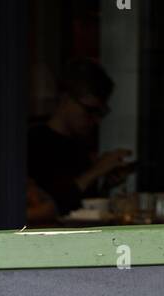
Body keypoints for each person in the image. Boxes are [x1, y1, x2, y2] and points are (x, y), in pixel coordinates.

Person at [28, 58, 130, 217]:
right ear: (65, 99)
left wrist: (106, 184)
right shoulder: (34, 143)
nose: (95, 120)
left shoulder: (81, 145)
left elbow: (84, 207)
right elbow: (52, 206)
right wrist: (95, 172)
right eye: (89, 110)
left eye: (100, 113)